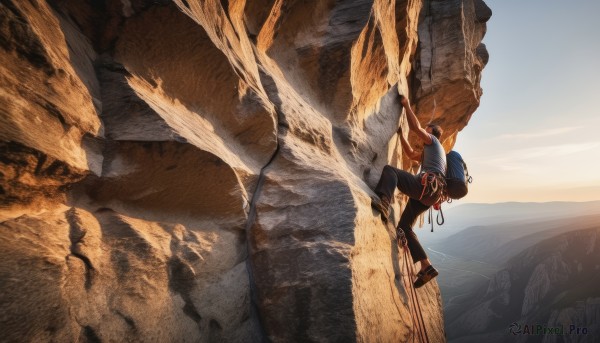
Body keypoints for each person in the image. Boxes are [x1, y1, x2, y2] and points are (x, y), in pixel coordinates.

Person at [371, 94, 446, 288]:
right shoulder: (434, 154)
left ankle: (384, 202)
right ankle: (426, 266)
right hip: (430, 196)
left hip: (424, 187)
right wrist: (401, 136)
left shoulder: (433, 142)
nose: (424, 134)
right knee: (404, 227)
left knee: (390, 171)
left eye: (427, 131)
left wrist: (405, 104)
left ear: (433, 134)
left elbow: (416, 128)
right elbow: (411, 154)